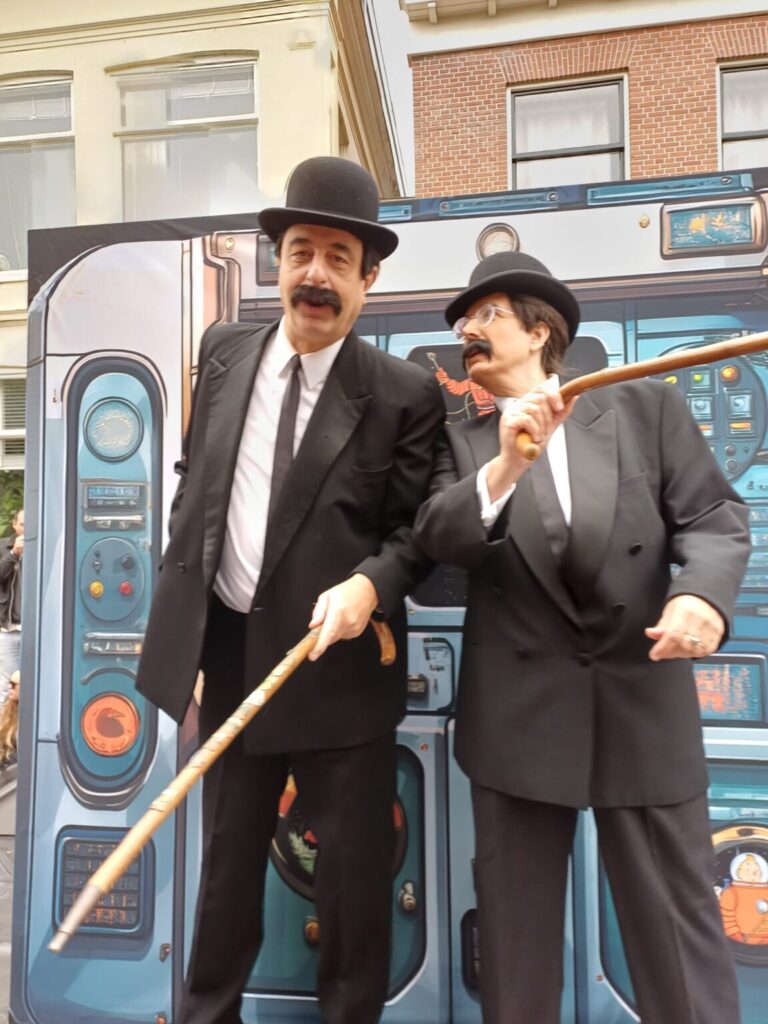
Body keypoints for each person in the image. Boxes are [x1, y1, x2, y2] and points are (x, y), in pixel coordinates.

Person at [136, 156, 444, 1024]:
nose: (316, 274)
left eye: (339, 259)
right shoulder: (223, 354)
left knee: (351, 890)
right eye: (301, 251)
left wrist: (371, 587)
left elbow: (417, 535)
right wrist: (194, 626)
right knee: (225, 873)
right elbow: (194, 483)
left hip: (338, 677)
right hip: (233, 664)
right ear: (278, 262)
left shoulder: (404, 394)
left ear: (368, 280)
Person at [414, 250, 750, 1024]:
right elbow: (437, 536)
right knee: (517, 960)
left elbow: (713, 517)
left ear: (540, 332)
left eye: (485, 315)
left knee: (680, 953)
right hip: (517, 726)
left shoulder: (643, 408)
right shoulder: (461, 443)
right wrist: (504, 466)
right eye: (463, 323)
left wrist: (701, 595)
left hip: (643, 707)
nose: (466, 332)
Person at [0, 508, 23, 705]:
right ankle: (5, 723)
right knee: (8, 687)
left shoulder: (45, 548)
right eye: (22, 525)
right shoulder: (2, 547)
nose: (26, 529)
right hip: (8, 629)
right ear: (14, 525)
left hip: (36, 632)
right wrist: (14, 553)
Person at [0, 668, 19, 768]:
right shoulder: (7, 710)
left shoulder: (28, 719)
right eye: (9, 683)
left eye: (13, 685)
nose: (9, 687)